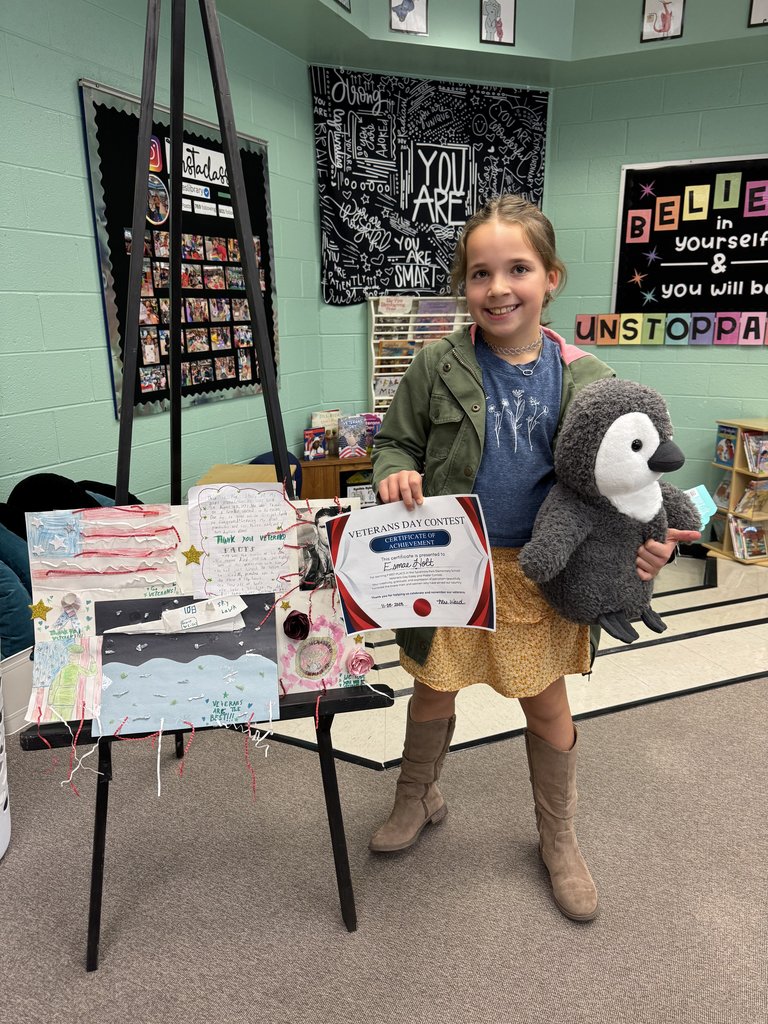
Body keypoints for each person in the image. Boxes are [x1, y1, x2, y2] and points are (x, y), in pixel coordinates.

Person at [370, 195, 700, 921]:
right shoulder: (436, 363)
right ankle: (417, 795)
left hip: (546, 574)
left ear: (550, 277)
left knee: (546, 704)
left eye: (517, 268)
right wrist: (393, 471)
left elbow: (632, 481)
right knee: (433, 688)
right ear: (465, 286)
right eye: (480, 273)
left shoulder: (590, 378)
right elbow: (394, 442)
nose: (498, 287)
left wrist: (647, 551)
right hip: (455, 566)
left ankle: (558, 837)